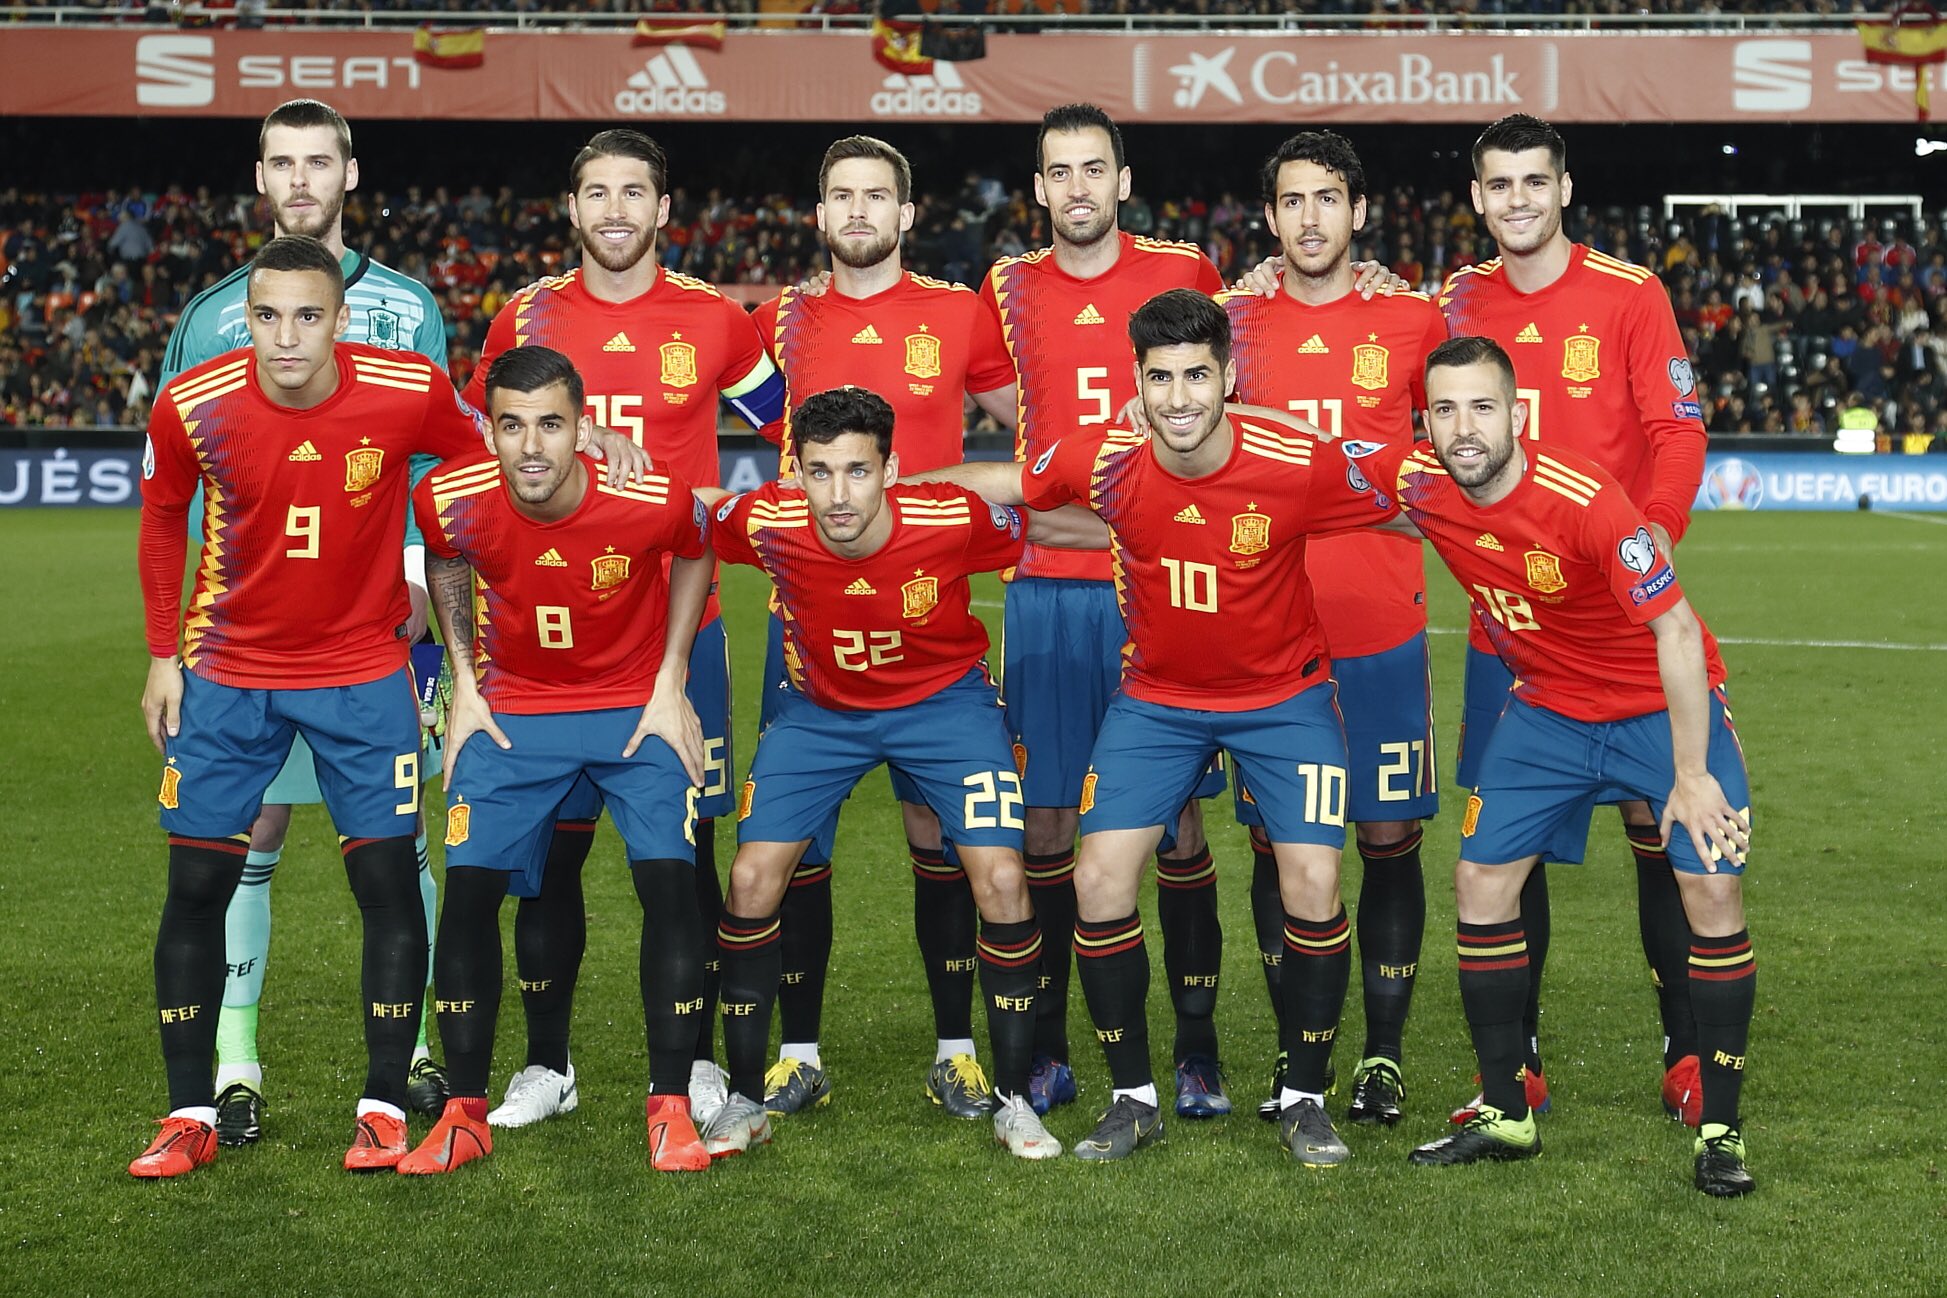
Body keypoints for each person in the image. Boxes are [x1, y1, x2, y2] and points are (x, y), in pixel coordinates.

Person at [918, 289, 1398, 1166]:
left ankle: (1304, 1099)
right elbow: (1004, 480)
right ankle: (1132, 1099)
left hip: (1281, 699)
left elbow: (1413, 492)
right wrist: (892, 491)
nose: (1178, 398)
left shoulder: (1295, 457)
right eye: (1160, 378)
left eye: (1196, 377)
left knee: (1314, 886)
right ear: (1136, 382)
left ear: (1228, 378)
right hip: (1158, 700)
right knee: (1099, 882)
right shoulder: (1105, 456)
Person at [130, 236, 486, 1178]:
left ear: (339, 318)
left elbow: (477, 468)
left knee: (386, 885)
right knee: (197, 888)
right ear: (245, 316)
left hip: (361, 673)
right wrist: (163, 654)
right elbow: (164, 514)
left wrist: (434, 585)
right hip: (227, 673)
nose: (286, 338)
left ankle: (379, 1107)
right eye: (266, 316)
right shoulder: (194, 403)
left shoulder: (406, 389)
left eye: (307, 316)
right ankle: (188, 1111)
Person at [1367, 337, 1755, 1197]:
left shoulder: (1586, 501)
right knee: (1480, 882)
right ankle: (1506, 1112)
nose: (1462, 427)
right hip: (1546, 709)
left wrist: (1689, 777)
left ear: (1515, 414)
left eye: (1479, 407)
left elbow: (1679, 633)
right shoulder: (1425, 486)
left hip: (1655, 711)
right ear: (1424, 421)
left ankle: (1721, 1129)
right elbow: (1311, 453)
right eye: (1443, 410)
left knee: (1712, 886)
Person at [460, 128, 785, 1131]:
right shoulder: (527, 314)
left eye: (632, 192)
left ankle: (682, 1071)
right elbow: (486, 439)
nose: (613, 209)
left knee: (683, 860)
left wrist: (698, 505)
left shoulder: (713, 322)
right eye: (595, 191)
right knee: (548, 863)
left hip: (677, 637)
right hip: (549, 641)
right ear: (571, 208)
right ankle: (546, 1066)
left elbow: (792, 429)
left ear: (663, 207)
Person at [697, 387, 1104, 1162]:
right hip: (819, 715)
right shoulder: (769, 524)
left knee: (1003, 881)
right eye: (819, 473)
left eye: (857, 471)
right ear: (796, 474)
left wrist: (1151, 530)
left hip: (944, 710)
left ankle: (1015, 1100)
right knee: (750, 880)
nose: (838, 495)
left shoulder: (950, 519)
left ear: (891, 469)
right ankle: (745, 1099)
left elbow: (1045, 524)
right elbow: (691, 511)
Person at [1436, 115, 1712, 1129]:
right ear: (1477, 197)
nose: (1516, 199)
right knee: (1512, 844)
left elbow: (1675, 429)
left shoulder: (1631, 293)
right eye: (1498, 183)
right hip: (1509, 624)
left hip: (1618, 616)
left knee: (1661, 822)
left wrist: (1659, 536)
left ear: (1563, 188)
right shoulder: (1457, 299)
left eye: (1533, 181)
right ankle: (1520, 1063)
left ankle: (1687, 1048)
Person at [748, 134, 1020, 1121]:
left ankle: (957, 1051)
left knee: (935, 836)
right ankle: (796, 1051)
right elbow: (702, 407)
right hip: (808, 623)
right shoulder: (779, 317)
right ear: (819, 214)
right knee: (795, 846)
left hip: (929, 626)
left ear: (907, 215)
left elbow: (1022, 417)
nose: (858, 211)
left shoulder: (956, 312)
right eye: (840, 196)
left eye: (877, 197)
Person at [402, 346, 716, 1176]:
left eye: (550, 424)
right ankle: (464, 1115)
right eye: (511, 425)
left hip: (629, 707)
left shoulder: (649, 495)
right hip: (515, 711)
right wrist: (463, 681)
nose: (531, 446)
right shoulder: (448, 497)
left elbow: (695, 549)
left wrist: (670, 678)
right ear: (490, 430)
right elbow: (444, 559)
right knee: (469, 896)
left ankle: (671, 1106)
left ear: (585, 429)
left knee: (669, 885)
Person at [979, 103, 1233, 1119]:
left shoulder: (1189, 271)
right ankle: (1043, 1045)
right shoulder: (1005, 285)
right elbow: (1002, 401)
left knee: (1171, 824)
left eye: (1094, 169)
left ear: (1123, 182)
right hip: (1046, 591)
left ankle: (1198, 1048)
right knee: (1047, 825)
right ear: (1037, 190)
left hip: (1160, 587)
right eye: (1058, 172)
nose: (1077, 187)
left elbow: (1233, 385)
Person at [1216, 131, 1449, 1127]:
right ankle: (1295, 1049)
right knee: (1278, 848)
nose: (1310, 217)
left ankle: (1384, 1057)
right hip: (1266, 639)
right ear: (1270, 217)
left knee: (1387, 839)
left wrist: (1385, 491)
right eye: (1292, 200)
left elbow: (1446, 464)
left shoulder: (1412, 317)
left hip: (1381, 627)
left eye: (1328, 199)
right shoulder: (1233, 320)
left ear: (1359, 212)